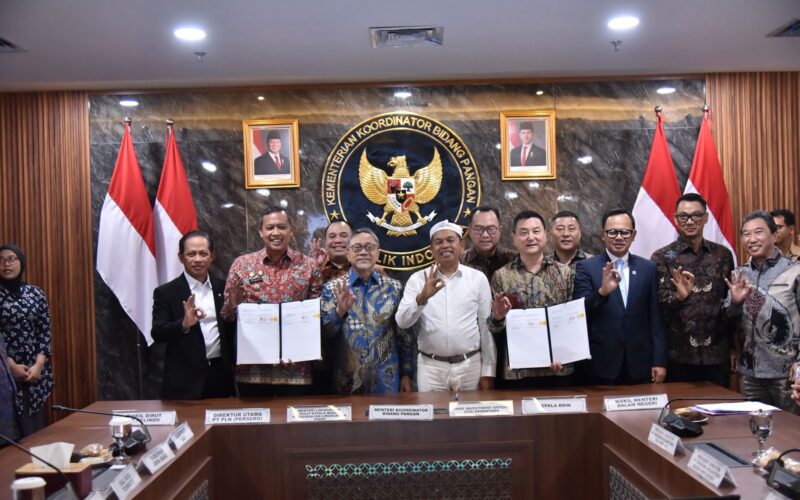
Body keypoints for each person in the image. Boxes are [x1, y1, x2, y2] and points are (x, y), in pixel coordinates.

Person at [221, 207, 322, 396]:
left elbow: (316, 316)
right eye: (270, 228)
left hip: (296, 366)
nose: (276, 233)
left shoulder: (309, 266)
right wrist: (233, 304)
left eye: (281, 227)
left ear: (291, 230)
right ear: (261, 232)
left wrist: (303, 348)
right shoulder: (242, 265)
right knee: (255, 416)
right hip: (253, 369)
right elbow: (227, 316)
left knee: (294, 416)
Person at [396, 220, 496, 392]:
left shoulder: (477, 279)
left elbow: (486, 327)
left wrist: (488, 372)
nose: (445, 246)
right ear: (431, 249)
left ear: (462, 245)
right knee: (432, 410)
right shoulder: (418, 279)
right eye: (438, 242)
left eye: (450, 240)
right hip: (431, 369)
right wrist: (421, 299)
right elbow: (402, 322)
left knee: (472, 410)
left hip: (470, 366)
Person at [574, 209, 667, 385]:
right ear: (603, 234)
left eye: (625, 232)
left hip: (640, 362)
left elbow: (655, 318)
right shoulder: (586, 267)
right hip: (601, 362)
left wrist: (659, 361)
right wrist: (602, 292)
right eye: (612, 232)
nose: (619, 237)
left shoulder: (648, 268)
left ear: (634, 235)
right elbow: (580, 312)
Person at [651, 193, 735, 387]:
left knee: (720, 406)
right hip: (678, 357)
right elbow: (658, 305)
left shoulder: (722, 255)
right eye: (683, 216)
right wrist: (679, 296)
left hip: (717, 355)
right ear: (675, 219)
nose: (689, 221)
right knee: (681, 406)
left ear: (705, 218)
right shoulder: (662, 257)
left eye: (696, 215)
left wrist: (734, 347)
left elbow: (728, 304)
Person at [723, 211, 800, 412]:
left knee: (790, 428)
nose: (752, 239)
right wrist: (736, 302)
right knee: (755, 426)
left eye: (758, 232)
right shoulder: (739, 273)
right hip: (750, 374)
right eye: (746, 234)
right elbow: (727, 317)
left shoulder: (794, 270)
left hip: (787, 373)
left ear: (774, 236)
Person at [320, 228, 413, 394]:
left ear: (378, 252)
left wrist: (407, 374)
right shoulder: (333, 288)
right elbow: (325, 333)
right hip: (347, 381)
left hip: (387, 381)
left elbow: (404, 335)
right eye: (357, 248)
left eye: (369, 247)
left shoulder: (395, 288)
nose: (363, 252)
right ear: (348, 253)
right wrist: (339, 312)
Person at [489, 210, 575, 388]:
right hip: (517, 371)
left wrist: (564, 355)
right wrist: (497, 317)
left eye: (536, 231)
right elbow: (494, 328)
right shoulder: (502, 276)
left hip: (557, 367)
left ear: (546, 235)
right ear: (513, 238)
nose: (530, 237)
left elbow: (571, 323)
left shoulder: (565, 273)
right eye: (524, 232)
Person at [151, 230, 235, 399]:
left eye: (203, 254)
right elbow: (158, 333)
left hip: (220, 377)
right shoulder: (166, 292)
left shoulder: (224, 288)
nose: (198, 259)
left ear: (212, 256)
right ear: (181, 257)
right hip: (183, 381)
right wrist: (184, 324)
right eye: (191, 254)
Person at [0, 244, 53, 437]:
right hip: (4, 376)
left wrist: (38, 365)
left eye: (11, 259)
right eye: (1, 260)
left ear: (21, 263)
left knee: (35, 436)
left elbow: (44, 331)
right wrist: (10, 366)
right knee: (10, 439)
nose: (6, 264)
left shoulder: (35, 293)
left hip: (34, 376)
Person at [461, 206, 516, 281]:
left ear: (499, 231)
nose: (485, 235)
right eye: (478, 229)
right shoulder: (459, 262)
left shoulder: (514, 260)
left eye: (491, 229)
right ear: (470, 232)